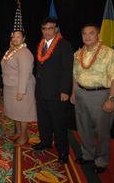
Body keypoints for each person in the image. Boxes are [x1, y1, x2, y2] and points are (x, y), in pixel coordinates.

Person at [71, 23, 114, 173]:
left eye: (91, 33)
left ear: (98, 35)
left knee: (102, 131)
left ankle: (101, 161)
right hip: (81, 93)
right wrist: (73, 92)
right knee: (83, 127)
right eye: (84, 34)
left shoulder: (109, 53)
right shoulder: (78, 54)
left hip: (100, 95)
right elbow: (75, 75)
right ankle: (87, 155)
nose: (87, 37)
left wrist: (111, 98)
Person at [33, 17, 73, 164]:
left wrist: (65, 91)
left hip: (57, 92)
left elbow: (67, 70)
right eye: (44, 28)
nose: (47, 31)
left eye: (50, 28)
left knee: (59, 123)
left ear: (56, 29)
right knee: (43, 120)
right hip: (41, 91)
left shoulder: (64, 45)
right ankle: (46, 142)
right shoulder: (41, 44)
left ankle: (63, 152)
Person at [1, 30, 36, 145]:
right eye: (13, 37)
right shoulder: (11, 51)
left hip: (20, 88)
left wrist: (21, 91)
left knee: (22, 113)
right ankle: (19, 132)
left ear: (23, 39)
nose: (15, 39)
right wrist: (10, 49)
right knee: (15, 112)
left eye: (18, 37)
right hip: (10, 87)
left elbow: (24, 73)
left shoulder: (25, 53)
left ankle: (24, 135)